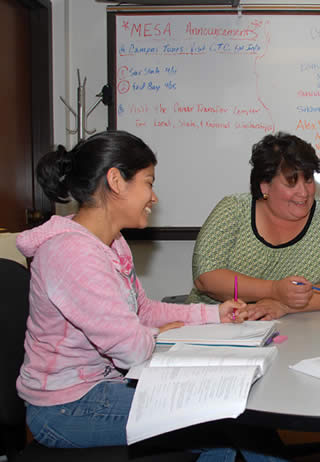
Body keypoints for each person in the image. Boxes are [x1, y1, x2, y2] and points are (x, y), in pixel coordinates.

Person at [16, 130, 283, 462]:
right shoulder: (71, 255)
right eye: (148, 182)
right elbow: (131, 348)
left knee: (239, 416)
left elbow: (140, 310)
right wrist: (156, 335)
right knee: (223, 420)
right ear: (116, 181)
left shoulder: (111, 244)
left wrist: (215, 315)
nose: (153, 197)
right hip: (66, 408)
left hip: (103, 387)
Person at [187, 132, 320, 321]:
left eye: (308, 180)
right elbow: (206, 277)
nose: (304, 192)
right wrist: (274, 290)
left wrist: (283, 305)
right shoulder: (233, 210)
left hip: (297, 331)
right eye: (291, 183)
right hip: (217, 324)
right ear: (265, 186)